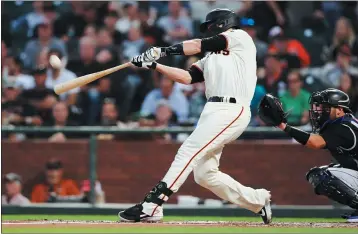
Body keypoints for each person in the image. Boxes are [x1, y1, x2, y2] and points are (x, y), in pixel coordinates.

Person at [119, 8, 272, 224]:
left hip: (232, 107)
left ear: (222, 23)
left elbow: (200, 44)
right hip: (212, 110)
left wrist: (162, 50)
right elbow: (188, 77)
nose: (208, 30)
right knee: (204, 174)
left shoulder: (240, 38)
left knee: (187, 151)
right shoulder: (211, 56)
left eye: (210, 26)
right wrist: (154, 65)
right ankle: (256, 200)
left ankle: (152, 205)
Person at [259, 88, 358, 222]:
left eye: (326, 108)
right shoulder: (343, 123)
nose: (320, 111)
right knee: (323, 172)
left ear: (340, 110)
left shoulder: (343, 126)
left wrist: (283, 126)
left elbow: (315, 143)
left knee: (323, 177)